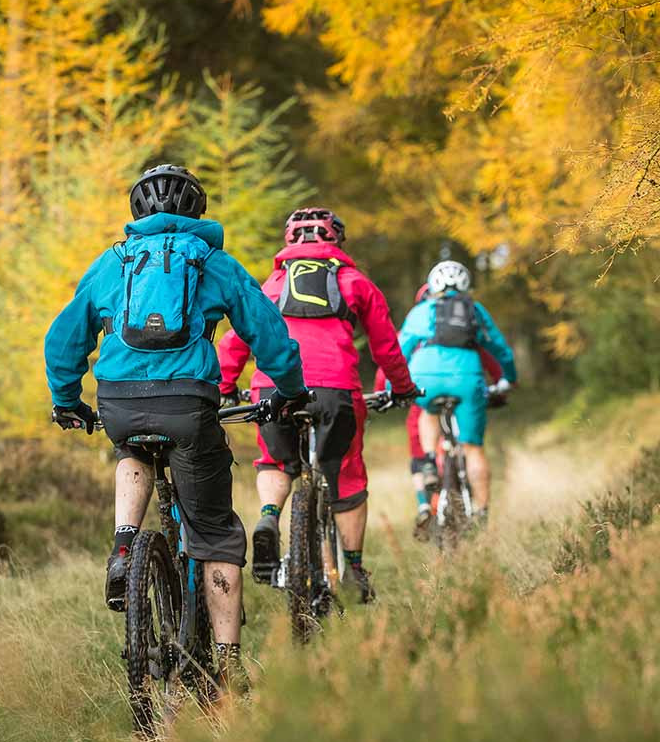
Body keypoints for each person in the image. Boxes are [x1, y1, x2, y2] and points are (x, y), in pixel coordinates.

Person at [45, 163, 308, 686]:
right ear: (196, 212)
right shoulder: (213, 261)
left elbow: (64, 337)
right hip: (188, 405)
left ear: (136, 213)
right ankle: (230, 672)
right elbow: (267, 331)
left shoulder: (112, 263)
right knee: (214, 534)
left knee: (132, 452)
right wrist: (291, 390)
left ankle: (124, 546)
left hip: (119, 401)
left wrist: (67, 399)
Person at [217, 207, 419, 603]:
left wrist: (225, 384)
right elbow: (385, 346)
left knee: (275, 463)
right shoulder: (355, 282)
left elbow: (239, 338)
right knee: (346, 474)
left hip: (273, 391)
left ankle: (270, 518)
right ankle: (355, 570)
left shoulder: (271, 285)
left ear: (289, 242)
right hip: (336, 391)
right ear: (336, 241)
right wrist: (402, 387)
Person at [375, 282, 505, 536]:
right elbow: (493, 359)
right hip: (465, 388)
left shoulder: (415, 327)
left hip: (422, 396)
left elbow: (389, 362)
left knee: (420, 450)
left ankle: (424, 503)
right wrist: (502, 383)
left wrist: (387, 390)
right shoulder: (468, 329)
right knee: (471, 447)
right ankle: (478, 510)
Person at [398, 259, 517, 530]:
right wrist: (509, 377)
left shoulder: (422, 310)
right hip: (467, 378)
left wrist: (396, 386)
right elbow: (499, 348)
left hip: (426, 376)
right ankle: (481, 512)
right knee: (473, 448)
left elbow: (400, 348)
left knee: (428, 412)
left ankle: (429, 461)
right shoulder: (474, 310)